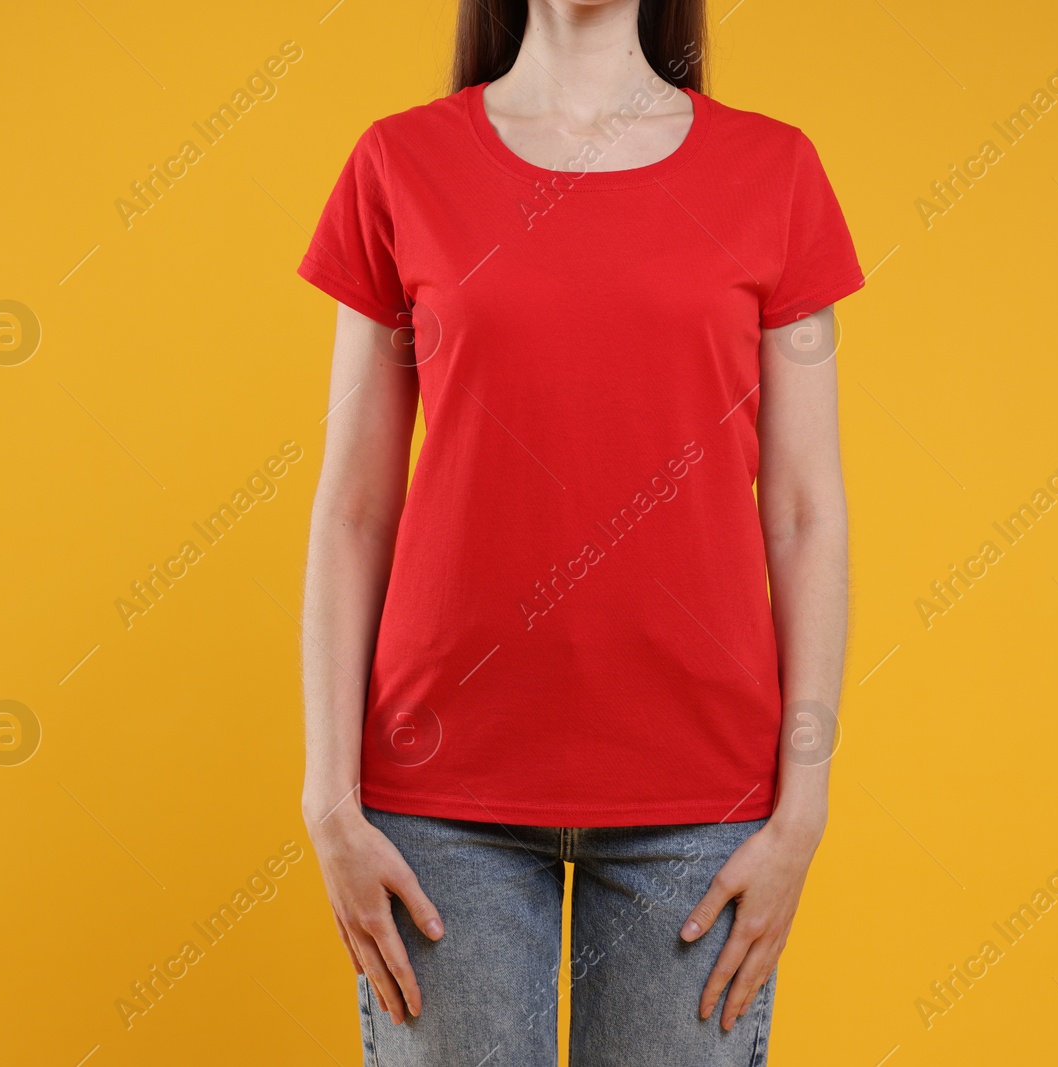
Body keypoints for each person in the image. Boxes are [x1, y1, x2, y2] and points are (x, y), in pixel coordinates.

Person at [296, 1, 862, 1062]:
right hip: (437, 797)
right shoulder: (398, 163)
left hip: (702, 797)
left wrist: (803, 806)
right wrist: (328, 797)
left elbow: (804, 514)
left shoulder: (775, 171)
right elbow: (353, 507)